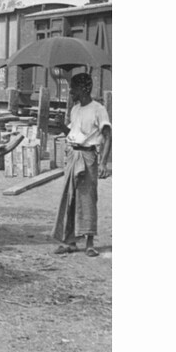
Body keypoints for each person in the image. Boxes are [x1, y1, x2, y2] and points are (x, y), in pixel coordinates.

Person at [52, 72, 112, 257]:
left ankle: (89, 243)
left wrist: (103, 163)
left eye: (73, 88)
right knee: (69, 198)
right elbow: (72, 132)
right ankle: (69, 241)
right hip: (72, 155)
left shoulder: (98, 109)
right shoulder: (75, 109)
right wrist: (61, 125)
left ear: (84, 89)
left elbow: (108, 136)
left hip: (88, 157)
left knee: (87, 199)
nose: (70, 91)